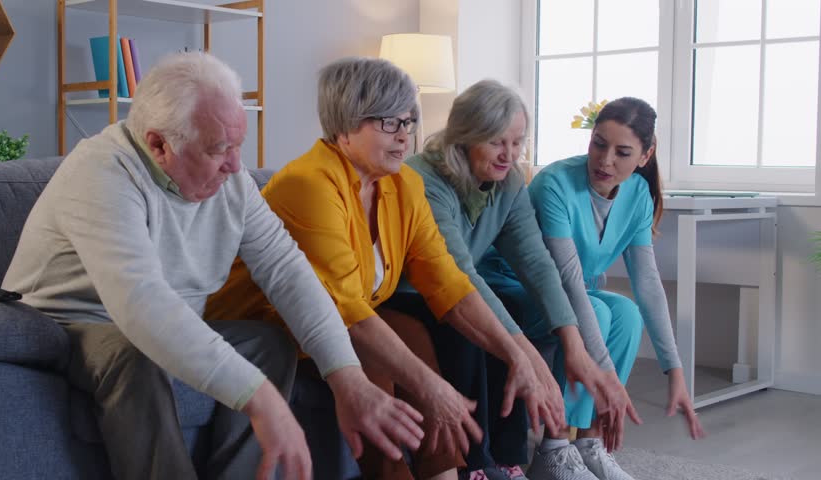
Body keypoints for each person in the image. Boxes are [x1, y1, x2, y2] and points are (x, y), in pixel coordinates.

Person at [2, 52, 425, 480]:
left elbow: (285, 269)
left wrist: (346, 376)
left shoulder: (230, 181)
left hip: (164, 321)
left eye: (239, 144)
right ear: (158, 144)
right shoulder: (101, 174)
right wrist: (260, 397)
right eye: (220, 148)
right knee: (135, 352)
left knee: (269, 343)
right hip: (69, 327)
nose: (237, 165)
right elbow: (142, 305)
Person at [205, 57, 565, 480]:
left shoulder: (402, 184)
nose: (404, 137)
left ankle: (444, 474)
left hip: (340, 320)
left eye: (408, 122)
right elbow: (345, 313)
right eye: (388, 123)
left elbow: (447, 281)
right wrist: (435, 389)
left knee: (412, 331)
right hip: (267, 327)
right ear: (344, 126)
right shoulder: (309, 184)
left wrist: (515, 354)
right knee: (375, 354)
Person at [384, 80, 638, 480]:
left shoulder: (510, 181)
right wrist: (526, 356)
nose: (510, 154)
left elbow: (537, 263)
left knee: (517, 310)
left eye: (518, 142)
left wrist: (574, 345)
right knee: (475, 328)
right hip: (409, 290)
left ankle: (508, 458)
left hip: (455, 288)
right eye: (497, 142)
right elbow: (459, 274)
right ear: (466, 136)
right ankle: (474, 464)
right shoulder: (423, 179)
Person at [477, 96, 706, 480]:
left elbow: (647, 283)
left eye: (622, 152)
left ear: (644, 156)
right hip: (512, 287)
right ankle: (554, 447)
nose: (605, 160)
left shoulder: (637, 196)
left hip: (567, 293)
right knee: (597, 313)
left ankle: (589, 443)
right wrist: (609, 382)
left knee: (628, 313)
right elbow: (564, 281)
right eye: (599, 143)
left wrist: (675, 370)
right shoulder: (555, 184)